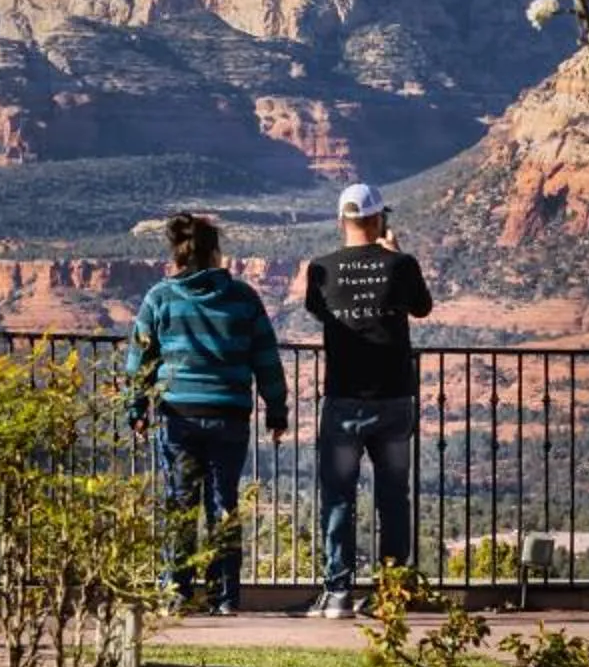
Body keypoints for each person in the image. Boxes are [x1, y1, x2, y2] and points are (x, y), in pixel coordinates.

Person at [130, 211, 289, 617]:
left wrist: (137, 409)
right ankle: (225, 596)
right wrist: (276, 411)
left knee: (179, 504)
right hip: (229, 417)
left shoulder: (159, 298)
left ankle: (176, 593)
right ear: (216, 253)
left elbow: (140, 361)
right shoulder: (243, 298)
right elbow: (266, 359)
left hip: (178, 416)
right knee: (223, 504)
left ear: (177, 254)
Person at [302, 181, 434, 618]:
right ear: (379, 219)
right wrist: (394, 253)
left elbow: (317, 310)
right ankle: (391, 593)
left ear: (341, 219)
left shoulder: (321, 268)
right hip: (394, 397)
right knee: (393, 498)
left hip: (343, 398)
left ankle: (337, 593)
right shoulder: (402, 265)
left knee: (339, 497)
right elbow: (422, 308)